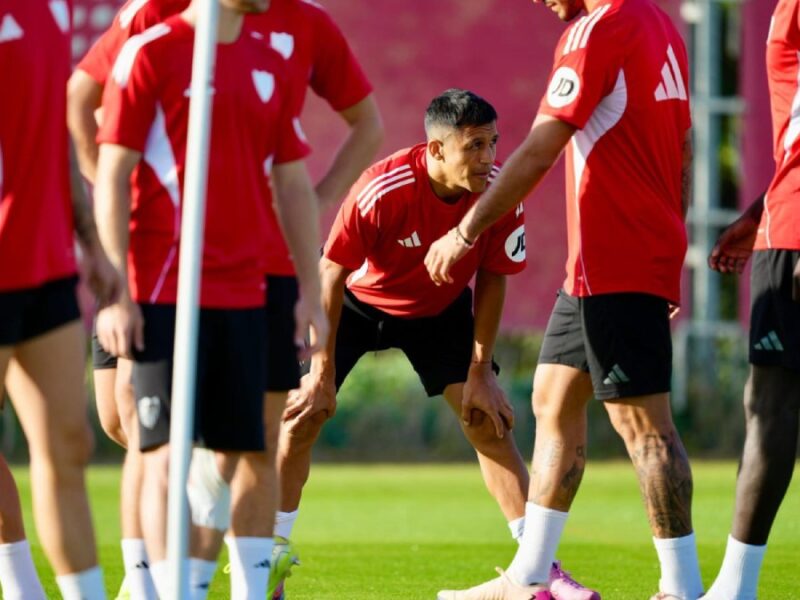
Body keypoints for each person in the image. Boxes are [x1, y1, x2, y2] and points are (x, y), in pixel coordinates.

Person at [67, 1, 382, 594]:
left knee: (245, 449)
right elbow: (110, 170)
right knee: (156, 446)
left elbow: (290, 177)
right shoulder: (150, 47)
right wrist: (117, 286)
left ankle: (239, 587)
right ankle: (159, 586)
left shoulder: (268, 57)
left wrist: (310, 291)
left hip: (250, 291)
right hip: (164, 289)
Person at [279, 88, 598, 600]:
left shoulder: (498, 194)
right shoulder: (382, 189)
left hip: (440, 311)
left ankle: (539, 572)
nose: (488, 158)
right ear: (436, 150)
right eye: (474, 146)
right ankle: (267, 561)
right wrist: (319, 374)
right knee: (300, 418)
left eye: (493, 144)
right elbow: (329, 274)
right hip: (357, 305)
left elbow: (494, 278)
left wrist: (481, 371)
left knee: (486, 423)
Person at [426, 1, 699, 599]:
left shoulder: (594, 31)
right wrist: (669, 244)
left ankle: (682, 589)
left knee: (644, 428)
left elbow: (541, 147)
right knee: (552, 400)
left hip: (617, 257)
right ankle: (529, 580)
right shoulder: (658, 24)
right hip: (608, 263)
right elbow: (684, 143)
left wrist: (465, 230)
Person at [0, 1, 119, 598]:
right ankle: (19, 583)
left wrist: (90, 239)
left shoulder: (54, 8)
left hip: (44, 264)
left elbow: (51, 133)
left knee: (67, 444)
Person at [703, 1, 800, 597]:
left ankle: (735, 590)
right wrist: (757, 210)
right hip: (781, 217)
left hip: (793, 235)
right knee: (768, 407)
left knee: (770, 407)